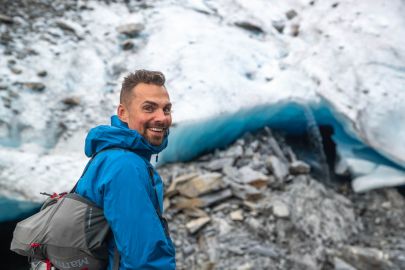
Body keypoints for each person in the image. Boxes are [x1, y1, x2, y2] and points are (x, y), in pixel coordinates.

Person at [75, 70, 176, 269]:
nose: (162, 118)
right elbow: (144, 259)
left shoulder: (111, 156)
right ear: (123, 113)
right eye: (149, 108)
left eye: (166, 109)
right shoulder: (125, 165)